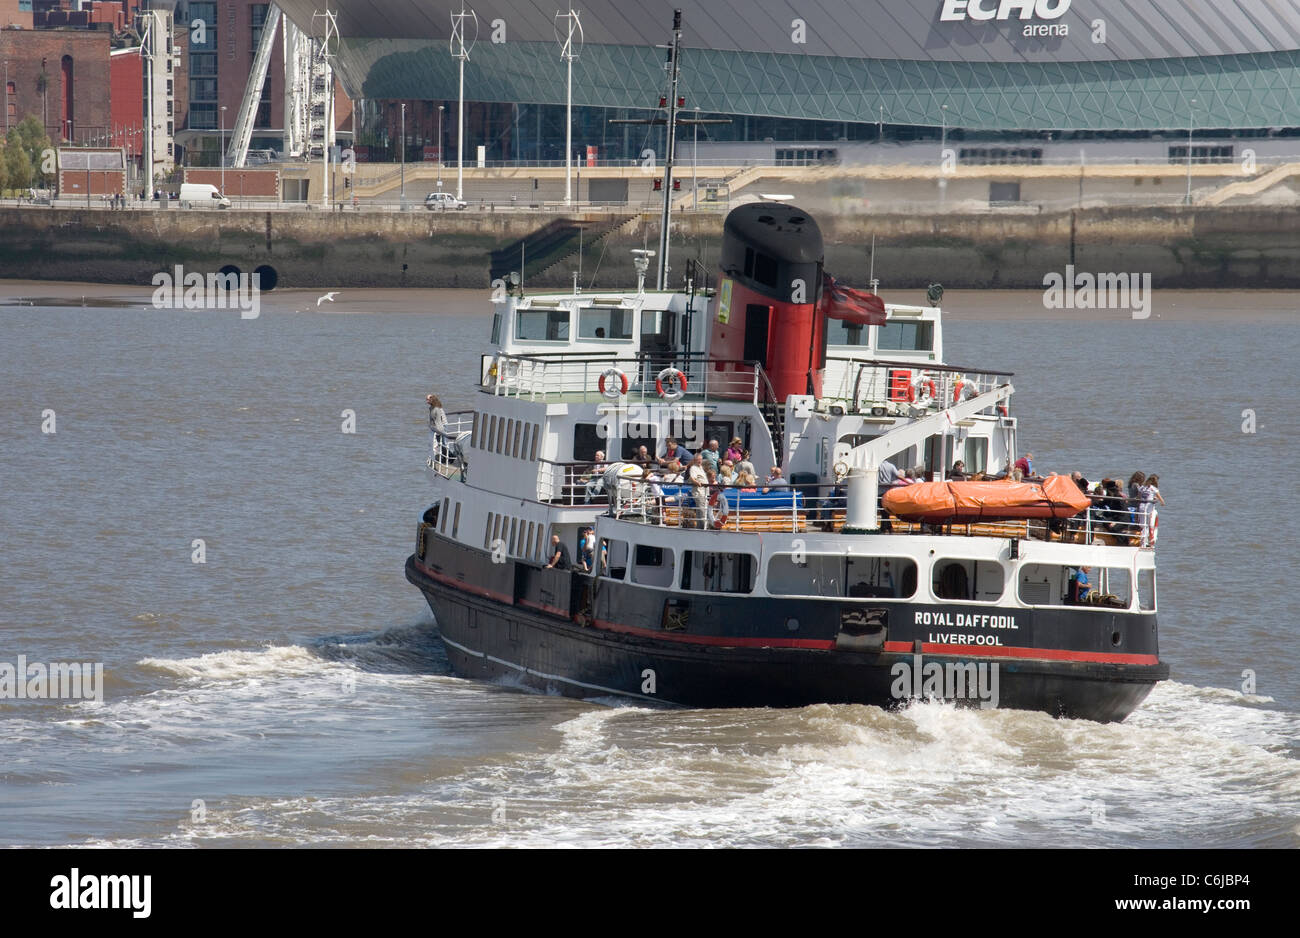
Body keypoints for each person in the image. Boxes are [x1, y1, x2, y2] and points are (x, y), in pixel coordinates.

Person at [687, 454, 709, 529]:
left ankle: (700, 526)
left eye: (701, 459)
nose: (700, 461)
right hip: (699, 492)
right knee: (702, 510)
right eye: (698, 459)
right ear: (694, 460)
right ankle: (705, 527)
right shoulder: (693, 468)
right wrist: (698, 483)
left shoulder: (701, 467)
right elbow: (692, 478)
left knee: (700, 510)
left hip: (704, 492)